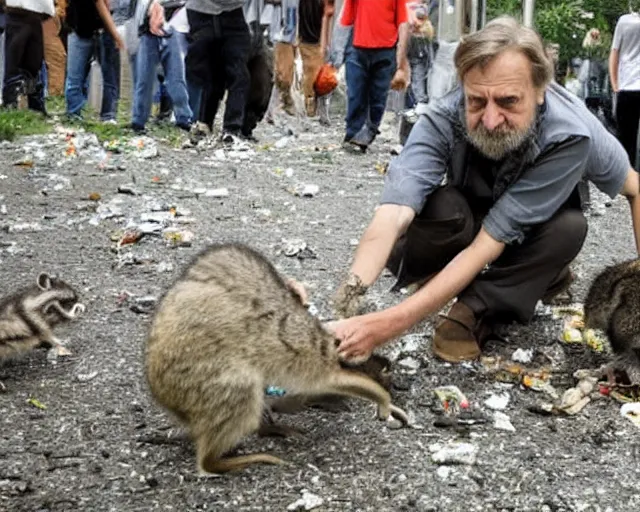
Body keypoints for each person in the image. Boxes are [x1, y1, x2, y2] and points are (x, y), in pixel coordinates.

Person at [327, 17, 640, 364]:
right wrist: (350, 294)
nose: (490, 120)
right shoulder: (444, 115)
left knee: (569, 228)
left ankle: (477, 305)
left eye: (508, 102)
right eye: (477, 101)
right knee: (444, 206)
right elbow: (393, 213)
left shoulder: (571, 133)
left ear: (540, 91)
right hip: (468, 219)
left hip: (516, 236)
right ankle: (510, 280)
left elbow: (636, 190)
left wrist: (386, 325)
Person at [340, 0, 410, 153]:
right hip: (358, 47)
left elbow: (403, 23)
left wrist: (401, 62)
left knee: (378, 98)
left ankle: (369, 132)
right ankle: (353, 133)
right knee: (355, 93)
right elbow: (346, 19)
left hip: (386, 50)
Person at [2, 0, 55, 113]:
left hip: (36, 15)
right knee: (14, 66)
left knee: (34, 65)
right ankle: (11, 106)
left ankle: (35, 107)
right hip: (17, 13)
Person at [609, 1, 640, 169]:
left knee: (626, 135)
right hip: (628, 84)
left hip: (627, 86)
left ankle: (627, 174)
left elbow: (615, 52)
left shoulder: (625, 21)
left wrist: (615, 85)